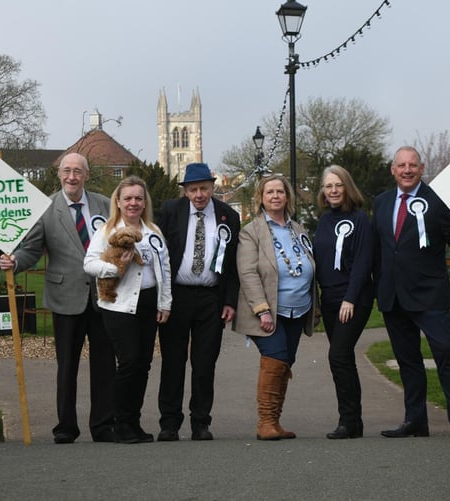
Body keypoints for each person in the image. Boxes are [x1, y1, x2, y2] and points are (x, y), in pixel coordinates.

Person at [0, 152, 115, 444]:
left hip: (103, 296)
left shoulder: (104, 204)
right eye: (67, 171)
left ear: (87, 175)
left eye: (78, 171)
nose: (72, 176)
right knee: (67, 366)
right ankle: (66, 426)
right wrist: (15, 261)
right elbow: (32, 248)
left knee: (104, 365)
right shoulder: (46, 208)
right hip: (65, 296)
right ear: (59, 174)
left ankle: (103, 425)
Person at [372, 146, 450, 440]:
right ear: (392, 170)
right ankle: (415, 421)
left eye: (413, 165)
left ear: (421, 169)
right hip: (393, 297)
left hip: (429, 294)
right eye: (401, 165)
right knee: (408, 361)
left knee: (446, 354)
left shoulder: (437, 200)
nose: (407, 170)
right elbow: (379, 248)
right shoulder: (381, 203)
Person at [83, 176, 171, 443]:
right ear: (118, 203)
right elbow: (89, 264)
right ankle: (120, 422)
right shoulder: (107, 230)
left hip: (147, 302)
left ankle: (134, 422)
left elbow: (164, 267)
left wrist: (164, 302)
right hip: (119, 305)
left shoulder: (153, 231)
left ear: (145, 202)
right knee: (129, 362)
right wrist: (116, 267)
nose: (134, 203)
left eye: (139, 198)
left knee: (143, 365)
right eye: (128, 198)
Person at [156, 163, 240, 441]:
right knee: (173, 361)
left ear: (213, 187)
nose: (199, 195)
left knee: (205, 363)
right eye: (193, 189)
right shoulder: (171, 211)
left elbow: (232, 265)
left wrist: (230, 300)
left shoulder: (228, 215)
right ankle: (169, 423)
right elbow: (159, 251)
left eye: (204, 188)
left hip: (210, 298)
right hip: (177, 295)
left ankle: (201, 422)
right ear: (185, 191)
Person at [234, 174, 316, 440]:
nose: (275, 196)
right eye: (269, 192)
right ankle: (265, 422)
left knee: (285, 362)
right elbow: (247, 273)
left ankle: (275, 421)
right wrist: (262, 309)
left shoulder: (299, 230)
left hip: (298, 309)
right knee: (276, 358)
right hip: (268, 312)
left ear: (287, 197)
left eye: (280, 191)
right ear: (261, 197)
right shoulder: (252, 231)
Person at [313, 165, 373, 439]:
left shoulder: (360, 220)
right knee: (343, 359)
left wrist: (350, 298)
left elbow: (363, 261)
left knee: (338, 355)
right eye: (328, 186)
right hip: (329, 298)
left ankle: (348, 420)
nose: (333, 190)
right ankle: (353, 422)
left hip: (353, 299)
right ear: (323, 191)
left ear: (347, 187)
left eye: (338, 185)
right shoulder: (324, 221)